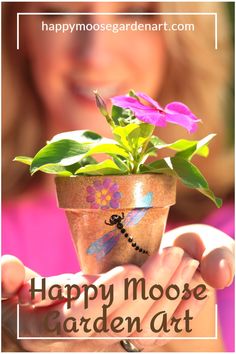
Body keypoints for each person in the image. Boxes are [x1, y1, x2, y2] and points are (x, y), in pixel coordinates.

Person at [2, 1, 234, 352]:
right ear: (17, 35)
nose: (95, 54)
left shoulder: (223, 231)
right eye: (56, 11)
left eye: (136, 11)